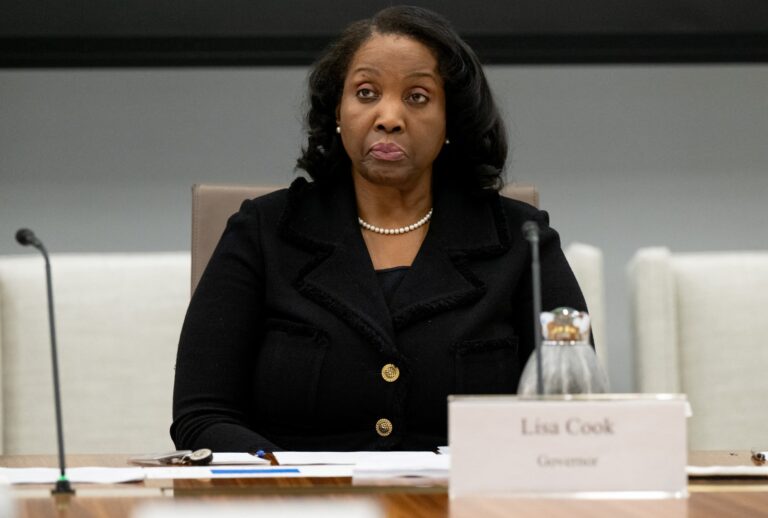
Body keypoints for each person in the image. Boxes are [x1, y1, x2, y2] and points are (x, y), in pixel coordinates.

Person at [171, 5, 588, 453]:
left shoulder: (521, 241)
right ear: (337, 110)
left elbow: (570, 411)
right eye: (366, 93)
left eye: (418, 97)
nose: (389, 117)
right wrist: (282, 480)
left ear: (451, 120)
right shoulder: (263, 232)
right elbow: (203, 414)